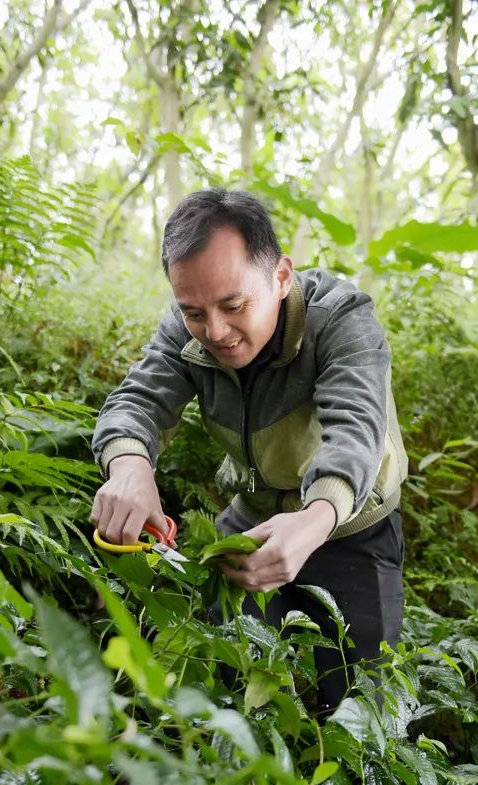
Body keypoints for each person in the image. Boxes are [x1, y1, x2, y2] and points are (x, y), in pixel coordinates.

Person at [90, 188, 408, 713]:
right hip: (252, 520)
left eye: (234, 305)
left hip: (351, 528)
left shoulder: (341, 319)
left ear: (281, 276)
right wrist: (128, 466)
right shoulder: (187, 328)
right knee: (229, 683)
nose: (214, 331)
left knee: (359, 704)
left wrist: (315, 518)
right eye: (194, 311)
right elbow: (138, 401)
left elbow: (356, 430)